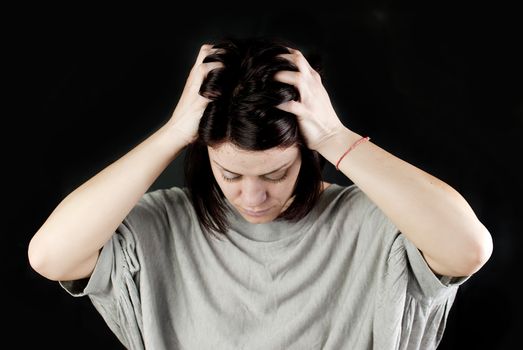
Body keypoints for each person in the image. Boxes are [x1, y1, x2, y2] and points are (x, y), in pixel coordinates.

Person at [27, 36, 493, 350]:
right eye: (230, 174)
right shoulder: (161, 224)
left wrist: (334, 134)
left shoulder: (371, 220)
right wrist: (172, 133)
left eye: (275, 174)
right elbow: (50, 257)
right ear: (202, 153)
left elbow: (468, 249)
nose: (252, 197)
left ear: (307, 154)